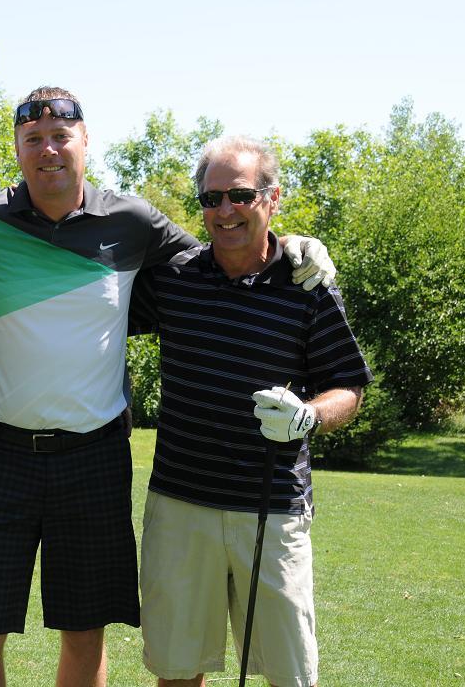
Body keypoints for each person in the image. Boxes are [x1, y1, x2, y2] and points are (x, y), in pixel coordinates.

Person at [0, 88, 337, 687]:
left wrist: (293, 244)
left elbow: (223, 249)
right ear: (16, 149)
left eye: (61, 137)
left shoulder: (132, 219)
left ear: (85, 143)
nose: (48, 150)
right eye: (33, 139)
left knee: (85, 631)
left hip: (93, 459)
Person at [129, 135, 372, 687]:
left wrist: (309, 415)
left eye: (240, 195)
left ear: (272, 197)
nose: (225, 211)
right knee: (177, 669)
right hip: (180, 504)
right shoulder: (174, 279)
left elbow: (349, 385)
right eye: (211, 200)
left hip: (273, 507)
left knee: (288, 675)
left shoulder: (307, 285)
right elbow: (94, 295)